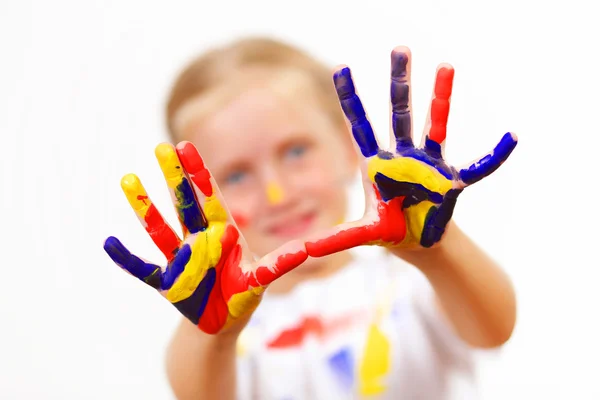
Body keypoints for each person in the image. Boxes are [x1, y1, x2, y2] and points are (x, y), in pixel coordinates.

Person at [104, 36, 518, 400]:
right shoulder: (235, 333)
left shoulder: (407, 285)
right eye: (235, 175)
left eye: (296, 151)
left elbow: (493, 327)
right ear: (196, 196)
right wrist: (216, 332)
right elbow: (199, 394)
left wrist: (436, 251)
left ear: (345, 144)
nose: (277, 193)